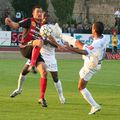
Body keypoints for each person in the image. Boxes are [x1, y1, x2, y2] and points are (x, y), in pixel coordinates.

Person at [5, 6, 48, 107]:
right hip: (25, 47)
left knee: (44, 72)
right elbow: (16, 25)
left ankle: (41, 98)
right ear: (33, 13)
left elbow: (45, 39)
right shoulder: (29, 21)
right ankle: (32, 64)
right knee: (39, 41)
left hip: (35, 50)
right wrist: (9, 22)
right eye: (38, 12)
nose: (40, 13)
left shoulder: (43, 26)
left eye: (41, 12)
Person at [65, 22, 109, 115]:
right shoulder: (104, 37)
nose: (91, 29)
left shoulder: (97, 43)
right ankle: (61, 35)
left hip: (91, 65)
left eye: (92, 28)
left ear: (94, 31)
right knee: (78, 42)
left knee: (81, 87)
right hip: (96, 60)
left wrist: (70, 49)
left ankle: (95, 106)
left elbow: (84, 52)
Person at [10, 31, 66, 104]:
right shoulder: (40, 33)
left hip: (50, 59)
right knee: (24, 71)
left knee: (55, 78)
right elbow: (35, 41)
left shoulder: (57, 37)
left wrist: (47, 41)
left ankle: (61, 96)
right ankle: (19, 89)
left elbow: (58, 46)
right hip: (38, 56)